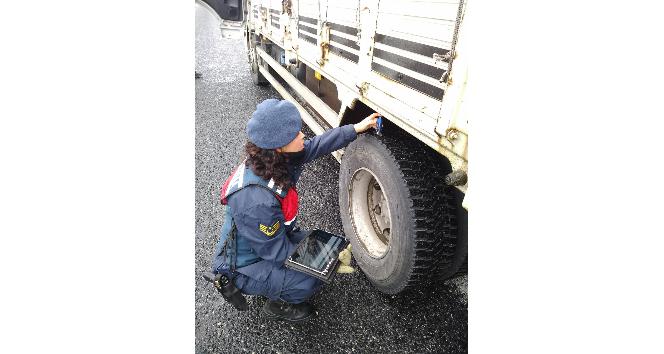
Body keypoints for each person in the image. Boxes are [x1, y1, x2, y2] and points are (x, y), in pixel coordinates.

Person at [203, 98, 379, 322]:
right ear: (278, 146)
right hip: (244, 263)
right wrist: (324, 265)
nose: (302, 135)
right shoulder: (255, 200)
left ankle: (283, 281)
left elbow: (317, 145)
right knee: (310, 280)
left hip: (267, 239)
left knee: (322, 244)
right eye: (296, 133)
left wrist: (354, 129)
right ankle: (277, 305)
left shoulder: (275, 157)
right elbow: (276, 252)